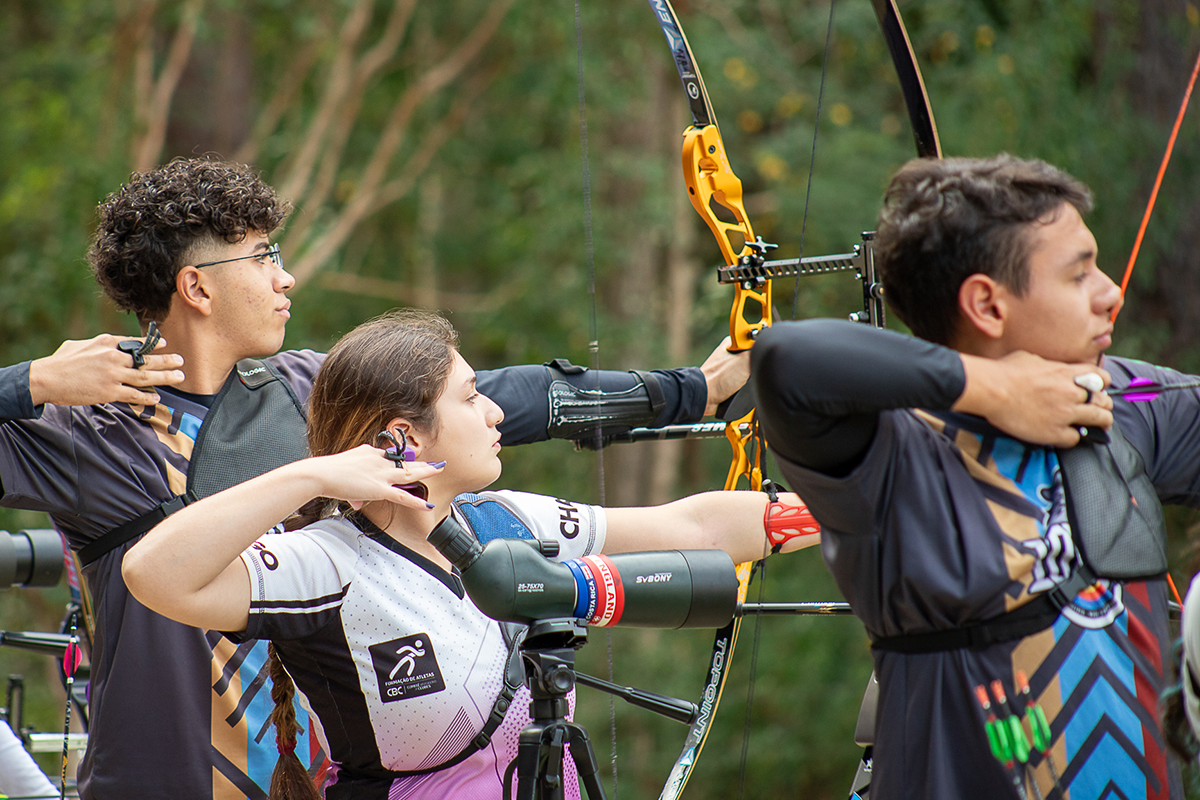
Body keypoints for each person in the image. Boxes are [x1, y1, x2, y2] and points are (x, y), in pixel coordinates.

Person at [0, 157, 748, 799]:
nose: (284, 276)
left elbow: (497, 401)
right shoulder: (83, 431)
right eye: (263, 257)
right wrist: (30, 382)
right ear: (196, 287)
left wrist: (690, 390)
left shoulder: (305, 390)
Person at [120, 309, 819, 799]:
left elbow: (691, 528)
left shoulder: (502, 520)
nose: (493, 415)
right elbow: (153, 575)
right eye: (472, 396)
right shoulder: (326, 563)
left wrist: (840, 508)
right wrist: (310, 475)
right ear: (404, 438)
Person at [751, 154, 1193, 799]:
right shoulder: (896, 451)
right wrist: (995, 387)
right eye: (1078, 276)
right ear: (986, 303)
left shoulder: (1121, 404)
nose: (1111, 292)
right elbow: (786, 361)